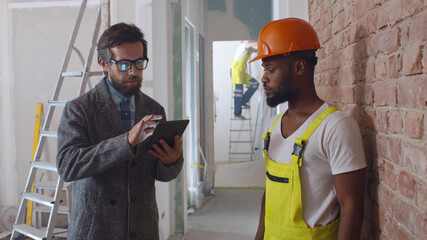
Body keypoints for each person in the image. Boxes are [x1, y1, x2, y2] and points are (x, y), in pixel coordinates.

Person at [56, 23, 184, 240]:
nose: (133, 71)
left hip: (143, 229)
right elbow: (68, 167)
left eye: (139, 62)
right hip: (96, 230)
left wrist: (172, 162)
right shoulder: (79, 109)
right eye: (124, 64)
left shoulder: (154, 109)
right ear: (104, 64)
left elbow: (160, 175)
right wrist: (125, 141)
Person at [251, 18, 367, 239]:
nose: (263, 78)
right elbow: (270, 194)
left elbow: (352, 208)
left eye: (271, 69)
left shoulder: (335, 128)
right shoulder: (272, 127)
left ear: (300, 67)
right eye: (264, 69)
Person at [230, 40, 260, 119]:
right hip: (236, 72)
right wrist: (260, 42)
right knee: (238, 93)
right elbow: (249, 45)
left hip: (242, 73)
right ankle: (237, 113)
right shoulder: (242, 47)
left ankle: (243, 101)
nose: (252, 49)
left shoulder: (248, 50)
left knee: (255, 84)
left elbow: (255, 50)